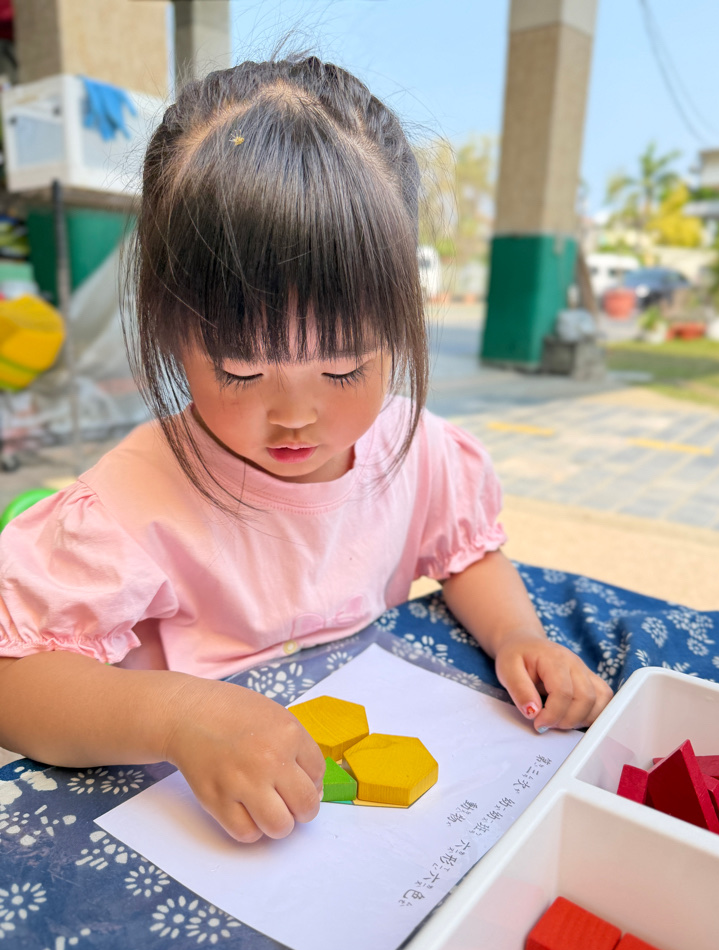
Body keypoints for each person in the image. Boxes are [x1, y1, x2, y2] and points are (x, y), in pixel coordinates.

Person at [0, 56, 612, 844]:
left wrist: (518, 635)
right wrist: (176, 716)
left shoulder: (419, 453)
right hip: (198, 818)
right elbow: (16, 687)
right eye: (240, 371)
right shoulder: (129, 504)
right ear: (171, 330)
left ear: (401, 320)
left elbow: (467, 555)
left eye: (345, 367)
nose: (294, 416)